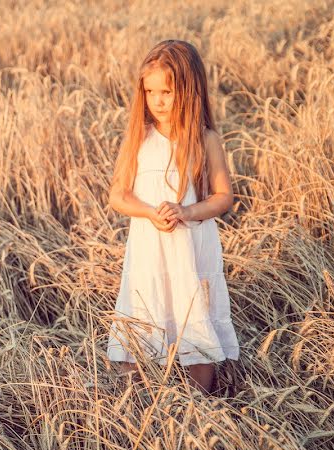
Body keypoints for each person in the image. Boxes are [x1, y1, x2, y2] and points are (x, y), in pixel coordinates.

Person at [106, 39, 240, 394]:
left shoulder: (204, 138)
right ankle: (134, 406)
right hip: (150, 251)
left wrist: (187, 211)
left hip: (191, 247)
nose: (158, 100)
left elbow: (224, 196)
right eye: (150, 92)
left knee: (194, 318)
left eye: (167, 91)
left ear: (189, 90)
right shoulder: (139, 138)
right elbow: (117, 195)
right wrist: (150, 212)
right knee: (142, 316)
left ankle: (200, 406)